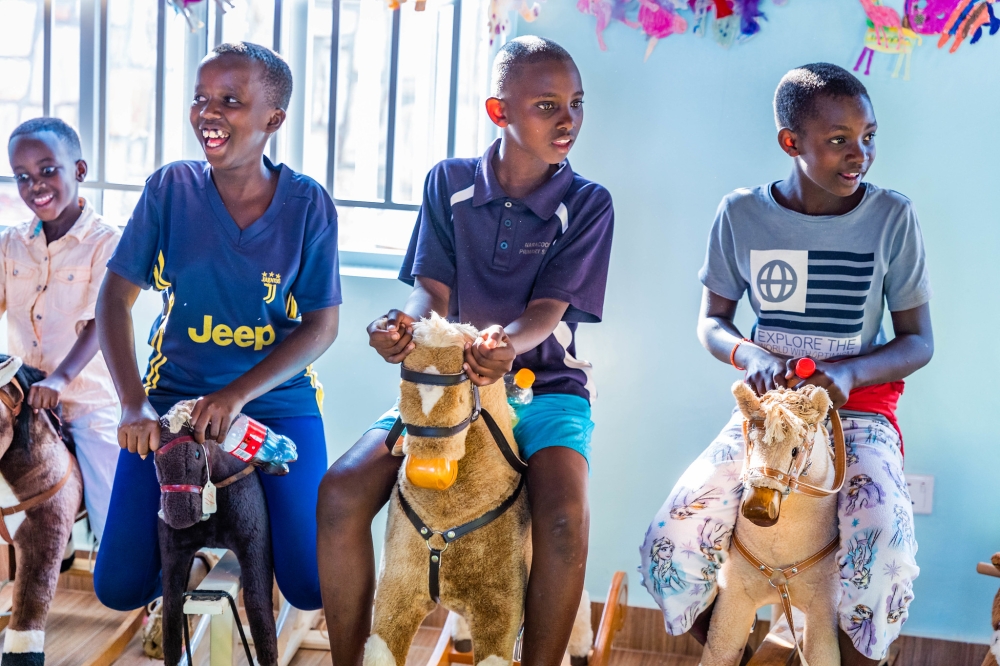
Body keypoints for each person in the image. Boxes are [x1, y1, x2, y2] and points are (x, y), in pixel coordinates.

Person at [317, 36, 614, 666]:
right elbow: (433, 295)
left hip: (545, 389)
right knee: (341, 488)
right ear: (499, 111)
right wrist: (402, 330)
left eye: (576, 104)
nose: (568, 120)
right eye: (546, 105)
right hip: (447, 386)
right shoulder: (448, 183)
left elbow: (546, 314)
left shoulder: (587, 203)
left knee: (564, 521)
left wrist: (503, 345)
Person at [639, 63, 933, 666]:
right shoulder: (741, 215)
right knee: (671, 538)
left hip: (859, 418)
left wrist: (848, 375)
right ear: (790, 142)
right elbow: (711, 322)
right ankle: (746, 656)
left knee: (885, 549)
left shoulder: (892, 219)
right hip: (767, 422)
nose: (861, 154)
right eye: (838, 140)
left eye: (869, 136)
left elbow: (918, 341)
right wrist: (751, 354)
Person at [93, 42, 341, 612]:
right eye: (201, 98)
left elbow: (321, 328)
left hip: (276, 403)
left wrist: (235, 395)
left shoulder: (308, 205)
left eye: (230, 100)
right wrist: (133, 404)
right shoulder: (170, 190)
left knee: (309, 588)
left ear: (272, 119)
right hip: (173, 401)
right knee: (118, 589)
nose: (209, 112)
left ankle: (251, 540)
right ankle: (197, 549)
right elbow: (114, 300)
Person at [3, 117, 121, 543]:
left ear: (79, 170)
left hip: (85, 400)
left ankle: (142, 591)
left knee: (113, 503)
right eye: (23, 176)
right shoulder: (11, 242)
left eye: (48, 170)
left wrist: (60, 378)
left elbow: (100, 323)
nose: (36, 185)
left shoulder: (106, 242)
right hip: (24, 399)